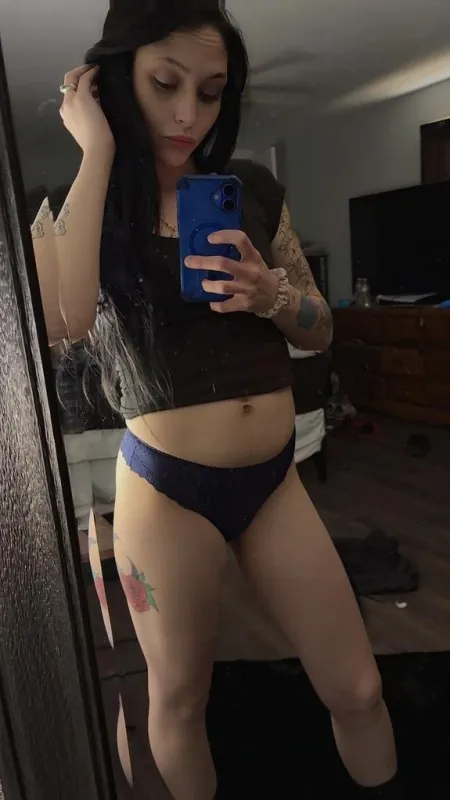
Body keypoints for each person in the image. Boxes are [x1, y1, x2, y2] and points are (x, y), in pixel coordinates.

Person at [32, 3, 402, 799]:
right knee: (180, 700)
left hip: (273, 480)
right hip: (167, 491)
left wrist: (274, 295)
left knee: (360, 687)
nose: (187, 115)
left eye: (210, 92)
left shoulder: (252, 191)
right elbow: (62, 321)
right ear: (117, 78)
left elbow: (322, 328)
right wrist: (97, 151)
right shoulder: (89, 201)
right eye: (164, 84)